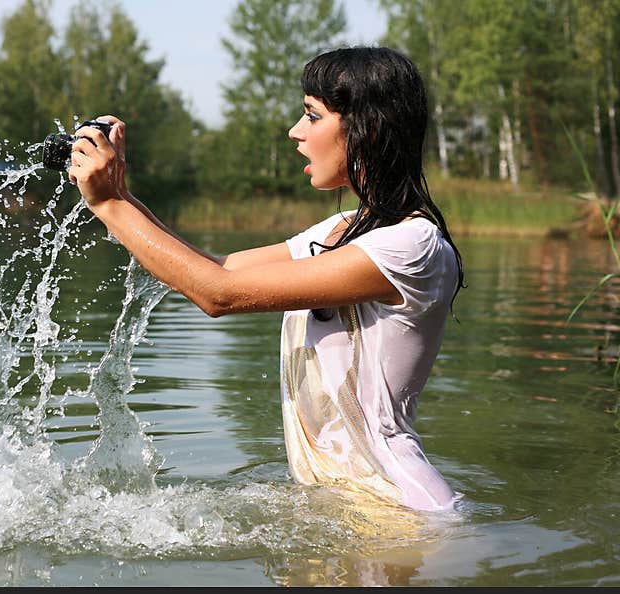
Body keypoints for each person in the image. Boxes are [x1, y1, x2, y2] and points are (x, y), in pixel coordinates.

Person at [67, 46, 464, 513]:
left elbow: (218, 295)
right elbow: (218, 267)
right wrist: (119, 193)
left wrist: (107, 205)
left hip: (400, 512)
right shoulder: (345, 231)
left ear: (367, 128)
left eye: (312, 116)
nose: (296, 132)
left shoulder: (411, 246)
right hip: (342, 506)